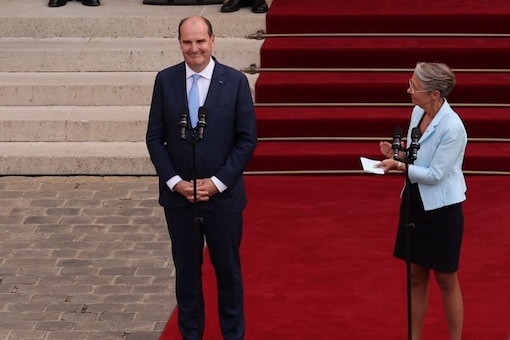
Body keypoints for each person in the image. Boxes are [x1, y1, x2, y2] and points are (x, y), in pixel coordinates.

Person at [146, 16, 257, 340]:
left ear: (213, 39)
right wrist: (175, 182)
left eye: (200, 41)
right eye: (187, 42)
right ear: (179, 43)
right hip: (179, 200)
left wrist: (218, 181)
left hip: (223, 198)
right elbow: (155, 137)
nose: (194, 49)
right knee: (187, 277)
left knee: (228, 275)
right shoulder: (165, 80)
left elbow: (246, 138)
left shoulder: (235, 81)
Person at [376, 62, 467, 340]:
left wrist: (399, 166)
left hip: (442, 209)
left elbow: (437, 174)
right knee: (415, 275)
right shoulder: (418, 111)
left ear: (435, 94)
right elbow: (419, 158)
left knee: (446, 278)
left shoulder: (453, 128)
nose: (409, 90)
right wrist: (400, 154)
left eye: (414, 87)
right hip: (414, 203)